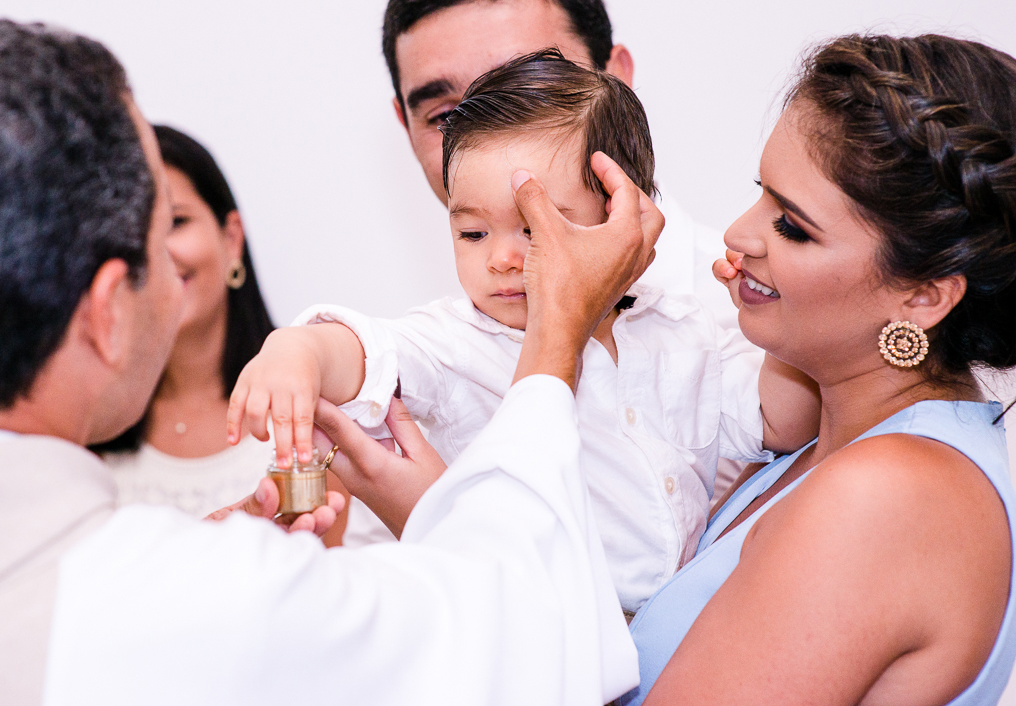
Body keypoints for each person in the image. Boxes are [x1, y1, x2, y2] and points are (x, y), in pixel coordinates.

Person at [0, 19, 655, 704]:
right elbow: (540, 642)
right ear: (109, 311)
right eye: (161, 235)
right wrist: (557, 332)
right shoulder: (201, 607)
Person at [230, 50, 817, 614]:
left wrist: (772, 302)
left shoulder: (681, 327)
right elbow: (367, 350)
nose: (504, 259)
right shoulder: (459, 341)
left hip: (674, 635)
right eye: (473, 234)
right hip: (537, 637)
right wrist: (299, 351)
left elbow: (781, 422)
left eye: (534, 227)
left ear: (624, 217)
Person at [618, 34, 1016, 704]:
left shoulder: (888, 495)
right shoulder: (816, 439)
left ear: (923, 296)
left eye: (793, 226)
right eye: (761, 195)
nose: (740, 235)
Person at [342, 0, 769, 546]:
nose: (485, 137)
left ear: (616, 82)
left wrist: (449, 531)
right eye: (444, 116)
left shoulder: (756, 319)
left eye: (529, 90)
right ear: (405, 125)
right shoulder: (422, 360)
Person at [91, 125, 278, 516]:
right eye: (135, 232)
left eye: (175, 222)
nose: (156, 253)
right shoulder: (90, 417)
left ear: (231, 239)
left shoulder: (301, 404)